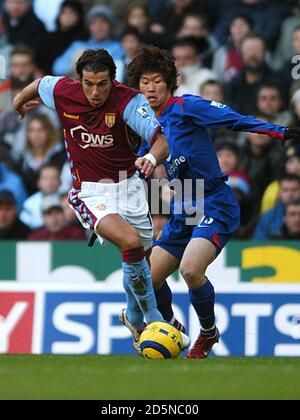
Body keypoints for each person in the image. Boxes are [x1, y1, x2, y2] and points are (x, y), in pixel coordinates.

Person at [126, 45, 300, 359]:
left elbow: (233, 119)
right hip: (183, 210)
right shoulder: (148, 127)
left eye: (156, 80)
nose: (150, 88)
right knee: (147, 278)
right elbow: (140, 168)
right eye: (143, 82)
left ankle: (208, 333)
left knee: (191, 270)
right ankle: (170, 327)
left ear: (170, 82)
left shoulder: (186, 106)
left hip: (215, 204)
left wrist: (281, 131)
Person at [12, 48, 171, 352]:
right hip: (88, 191)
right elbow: (39, 83)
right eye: (88, 84)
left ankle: (133, 313)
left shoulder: (129, 101)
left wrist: (151, 156)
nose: (95, 92)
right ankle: (152, 321)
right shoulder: (63, 91)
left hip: (130, 188)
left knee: (142, 264)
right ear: (79, 79)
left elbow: (161, 140)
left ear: (113, 80)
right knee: (130, 241)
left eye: (102, 84)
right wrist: (19, 103)